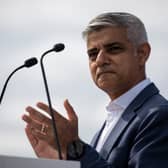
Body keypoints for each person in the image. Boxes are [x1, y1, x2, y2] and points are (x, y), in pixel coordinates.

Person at [22, 12, 168, 168]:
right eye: (93, 53)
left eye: (113, 49)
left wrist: (74, 147)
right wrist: (64, 161)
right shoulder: (109, 122)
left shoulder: (159, 115)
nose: (100, 60)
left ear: (141, 54)